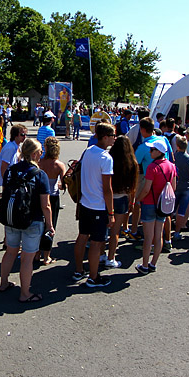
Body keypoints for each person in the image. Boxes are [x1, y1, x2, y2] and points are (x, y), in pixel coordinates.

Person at [0, 139, 53, 303]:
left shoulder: (11, 170)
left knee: (10, 252)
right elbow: (46, 204)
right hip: (32, 220)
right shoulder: (39, 175)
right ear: (35, 154)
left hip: (12, 218)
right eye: (40, 152)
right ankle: (25, 293)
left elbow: (6, 194)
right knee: (27, 259)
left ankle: (3, 283)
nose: (41, 154)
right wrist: (49, 225)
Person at [72, 122, 115, 288]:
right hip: (98, 205)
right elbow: (107, 189)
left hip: (85, 202)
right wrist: (111, 213)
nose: (114, 139)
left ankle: (78, 270)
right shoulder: (106, 158)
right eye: (112, 136)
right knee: (97, 243)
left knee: (82, 236)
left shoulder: (88, 151)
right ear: (105, 137)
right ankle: (93, 277)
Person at [134, 138, 177, 274]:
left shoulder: (152, 167)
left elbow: (146, 189)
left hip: (149, 203)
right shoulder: (171, 166)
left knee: (148, 237)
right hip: (163, 205)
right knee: (158, 235)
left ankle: (145, 265)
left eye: (152, 150)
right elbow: (173, 187)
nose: (150, 152)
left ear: (158, 152)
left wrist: (136, 200)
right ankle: (153, 263)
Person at [105, 134, 137, 268]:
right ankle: (111, 257)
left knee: (103, 230)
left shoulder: (109, 159)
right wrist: (132, 202)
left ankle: (101, 254)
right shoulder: (132, 163)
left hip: (108, 198)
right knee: (115, 231)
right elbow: (133, 187)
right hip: (123, 198)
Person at [38, 137, 67, 266]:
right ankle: (46, 256)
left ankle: (36, 253)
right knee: (51, 225)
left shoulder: (40, 162)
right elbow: (64, 183)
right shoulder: (59, 165)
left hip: (39, 196)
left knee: (39, 224)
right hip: (53, 197)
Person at [171, 136, 189, 241]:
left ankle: (166, 230)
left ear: (177, 146)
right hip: (187, 187)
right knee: (182, 211)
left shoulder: (173, 158)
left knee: (170, 210)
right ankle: (177, 232)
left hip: (175, 186)